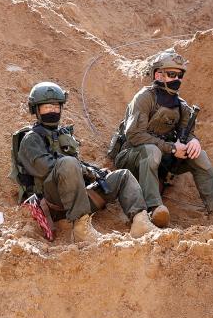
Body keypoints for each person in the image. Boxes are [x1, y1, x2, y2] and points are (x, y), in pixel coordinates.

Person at [13, 82, 156, 242]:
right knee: (68, 163)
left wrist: (94, 173)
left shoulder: (62, 134)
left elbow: (74, 166)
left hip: (77, 197)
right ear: (36, 110)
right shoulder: (30, 139)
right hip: (53, 202)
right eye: (46, 107)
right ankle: (81, 229)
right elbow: (45, 168)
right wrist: (83, 169)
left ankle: (140, 221)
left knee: (122, 176)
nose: (52, 111)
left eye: (55, 106)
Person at [113, 50, 213, 226]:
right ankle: (154, 209)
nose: (177, 80)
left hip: (161, 157)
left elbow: (187, 133)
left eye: (180, 75)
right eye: (172, 74)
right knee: (152, 151)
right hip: (131, 156)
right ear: (158, 75)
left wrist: (193, 141)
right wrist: (171, 148)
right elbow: (134, 135)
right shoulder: (144, 98)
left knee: (199, 155)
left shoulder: (181, 106)